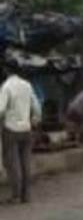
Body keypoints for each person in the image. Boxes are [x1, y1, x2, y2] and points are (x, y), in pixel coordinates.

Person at [0, 63, 43, 204]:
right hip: (26, 129)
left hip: (11, 130)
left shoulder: (6, 87)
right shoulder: (27, 85)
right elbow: (36, 106)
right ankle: (26, 196)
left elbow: (0, 109)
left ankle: (16, 195)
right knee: (25, 163)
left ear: (6, 71)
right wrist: (35, 119)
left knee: (13, 164)